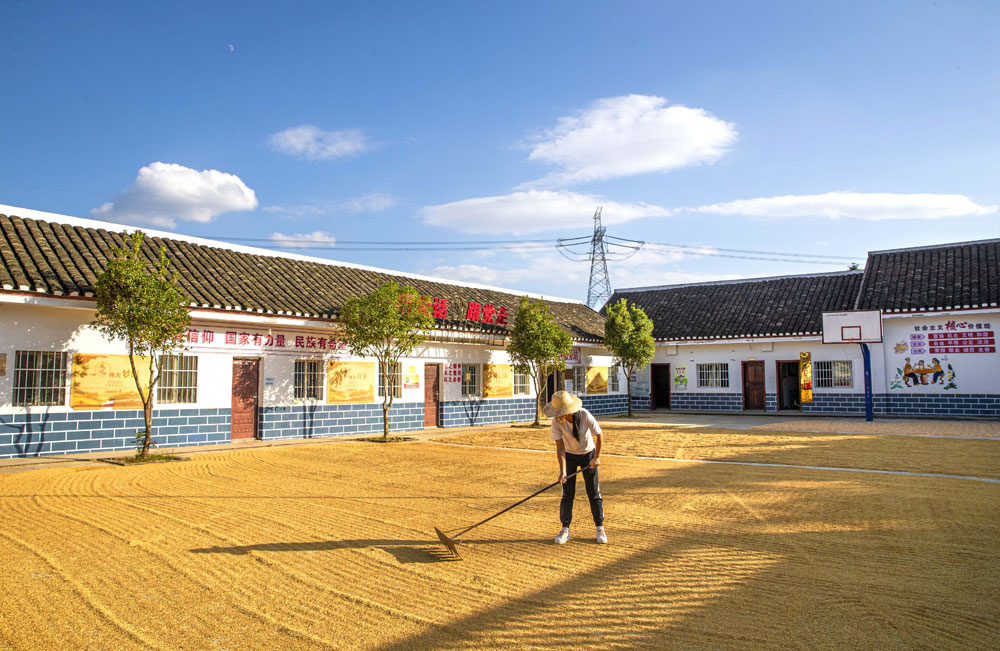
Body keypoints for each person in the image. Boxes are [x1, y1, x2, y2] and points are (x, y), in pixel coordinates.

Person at [543, 390, 607, 545]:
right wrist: (563, 471)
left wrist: (596, 457)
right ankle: (565, 529)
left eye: (560, 412)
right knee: (567, 493)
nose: (557, 415)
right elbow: (560, 448)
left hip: (588, 454)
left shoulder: (584, 415)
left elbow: (599, 435)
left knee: (593, 492)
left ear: (568, 411)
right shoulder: (557, 422)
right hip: (569, 455)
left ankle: (600, 527)